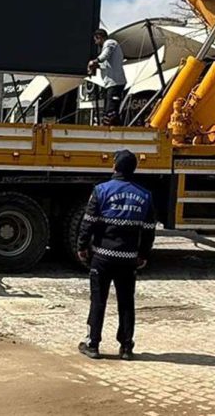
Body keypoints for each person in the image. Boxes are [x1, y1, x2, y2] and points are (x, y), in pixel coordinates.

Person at [76, 149, 156, 360]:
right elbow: (148, 230)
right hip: (128, 259)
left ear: (114, 166)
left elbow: (88, 223)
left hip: (102, 257)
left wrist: (82, 247)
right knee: (126, 302)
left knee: (98, 300)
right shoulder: (145, 195)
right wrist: (143, 254)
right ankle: (126, 348)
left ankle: (93, 345)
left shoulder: (101, 190)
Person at [87, 28, 127, 126]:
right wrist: (98, 66)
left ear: (99, 37)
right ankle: (117, 130)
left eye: (96, 40)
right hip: (111, 83)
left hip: (115, 83)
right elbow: (107, 64)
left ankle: (113, 131)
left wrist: (94, 61)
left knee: (111, 112)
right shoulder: (109, 46)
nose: (96, 43)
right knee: (109, 111)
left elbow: (104, 56)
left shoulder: (110, 43)